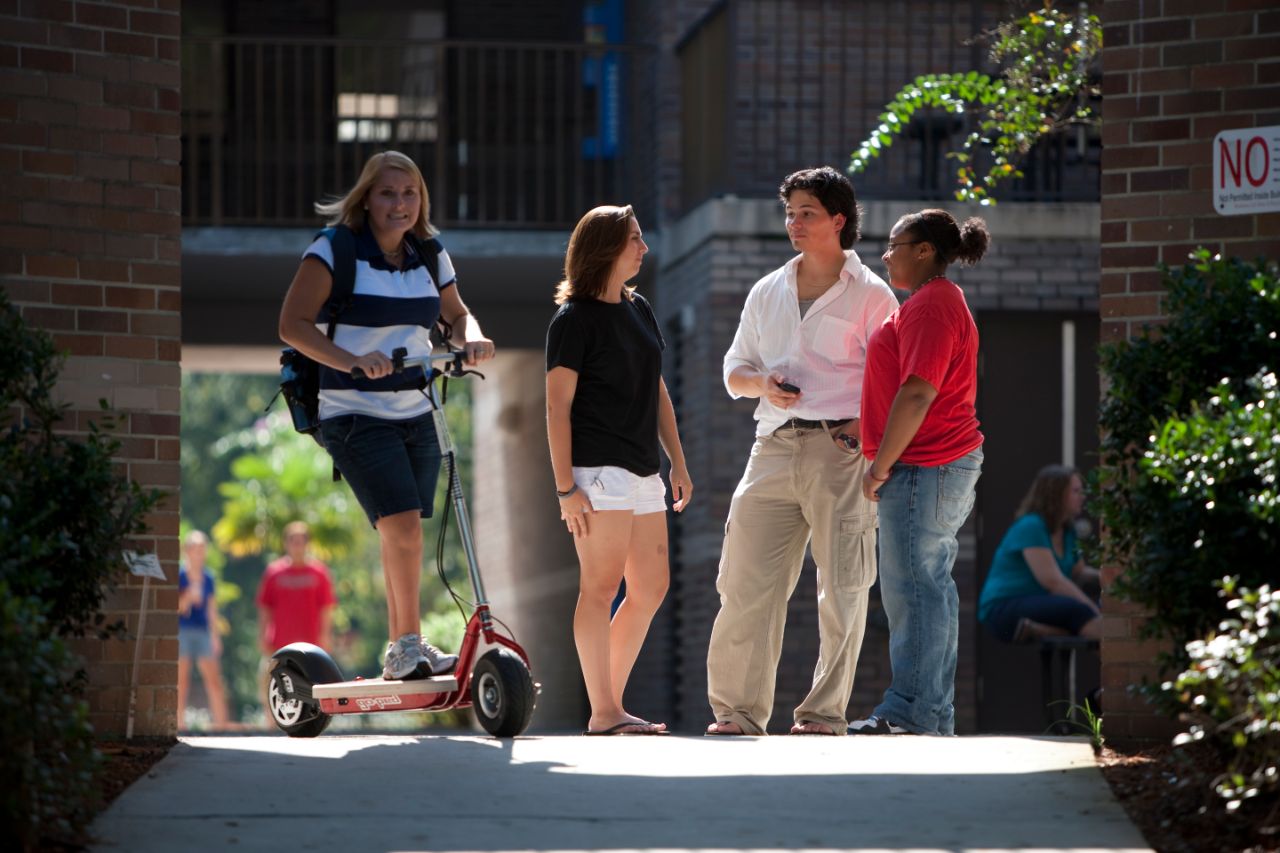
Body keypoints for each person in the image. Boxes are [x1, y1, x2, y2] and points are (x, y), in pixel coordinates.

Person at [278, 150, 495, 681]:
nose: (400, 204)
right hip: (353, 411)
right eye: (388, 194)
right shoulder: (334, 250)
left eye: (410, 194)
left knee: (405, 530)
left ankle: (406, 646)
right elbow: (293, 325)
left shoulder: (429, 252)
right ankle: (404, 647)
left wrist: (471, 338)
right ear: (366, 199)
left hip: (417, 406)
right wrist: (352, 362)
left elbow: (456, 313)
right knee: (401, 526)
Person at [705, 166, 897, 737]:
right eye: (789, 213)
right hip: (771, 446)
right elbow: (734, 370)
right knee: (743, 583)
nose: (794, 223)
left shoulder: (872, 295)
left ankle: (822, 714)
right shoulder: (767, 290)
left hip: (841, 449)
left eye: (806, 212)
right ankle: (737, 714)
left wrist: (860, 430)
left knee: (842, 586)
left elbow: (889, 380)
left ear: (839, 220)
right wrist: (762, 384)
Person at [545, 204, 693, 736]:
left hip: (642, 468)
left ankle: (608, 705)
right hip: (597, 473)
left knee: (650, 587)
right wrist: (565, 489)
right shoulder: (573, 321)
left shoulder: (640, 309)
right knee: (599, 588)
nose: (644, 248)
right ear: (606, 247)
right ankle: (605, 711)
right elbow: (556, 409)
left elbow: (656, 389)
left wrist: (676, 458)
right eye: (635, 238)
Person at [847, 208, 990, 736]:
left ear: (924, 250)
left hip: (924, 464)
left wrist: (879, 466)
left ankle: (915, 711)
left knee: (915, 588)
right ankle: (927, 711)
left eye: (894, 244)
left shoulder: (932, 304)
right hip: (930, 463)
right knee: (926, 585)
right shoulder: (932, 302)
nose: (885, 255)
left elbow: (918, 391)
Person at [978, 465, 1102, 643]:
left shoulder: (1067, 530)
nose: (1082, 497)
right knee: (1080, 611)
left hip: (1042, 603)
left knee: (1095, 610)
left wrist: (1110, 578)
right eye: (1076, 491)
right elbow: (1053, 582)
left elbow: (1079, 572)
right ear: (1056, 494)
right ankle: (1120, 667)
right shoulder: (1031, 526)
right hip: (1003, 607)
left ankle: (1042, 630)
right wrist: (1091, 609)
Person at [257, 520, 338, 721]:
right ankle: (271, 726)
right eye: (293, 540)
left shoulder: (319, 573)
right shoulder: (274, 572)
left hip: (311, 644)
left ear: (308, 543)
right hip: (279, 642)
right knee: (270, 682)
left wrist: (326, 636)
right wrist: (263, 634)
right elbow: (265, 607)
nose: (297, 545)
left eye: (302, 540)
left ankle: (314, 721)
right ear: (286, 543)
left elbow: (327, 608)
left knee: (314, 686)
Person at [177, 530, 230, 731]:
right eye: (195, 547)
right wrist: (188, 597)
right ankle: (179, 723)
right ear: (187, 550)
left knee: (214, 680)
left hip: (203, 631)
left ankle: (221, 725)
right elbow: (177, 608)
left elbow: (211, 609)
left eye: (202, 548)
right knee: (182, 680)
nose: (199, 551)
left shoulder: (208, 577)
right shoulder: (180, 575)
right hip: (183, 630)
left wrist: (215, 636)